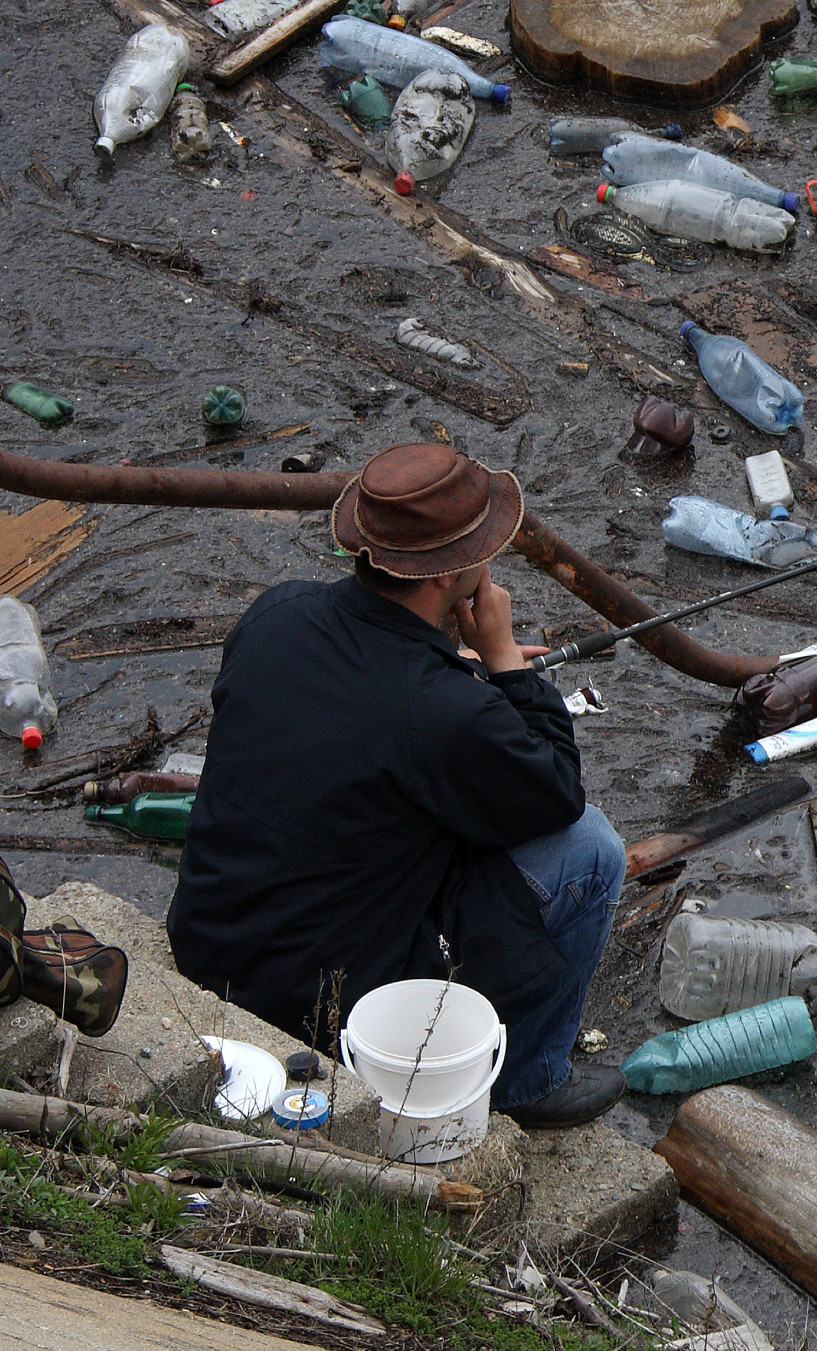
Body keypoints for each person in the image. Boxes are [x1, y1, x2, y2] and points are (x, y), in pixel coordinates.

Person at [169, 444, 627, 1127]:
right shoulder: (443, 711)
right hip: (325, 1008)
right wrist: (504, 664)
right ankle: (526, 1082)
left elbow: (360, 709)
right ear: (449, 577)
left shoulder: (275, 614)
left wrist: (447, 669)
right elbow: (557, 790)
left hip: (207, 945)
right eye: (482, 546)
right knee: (593, 848)